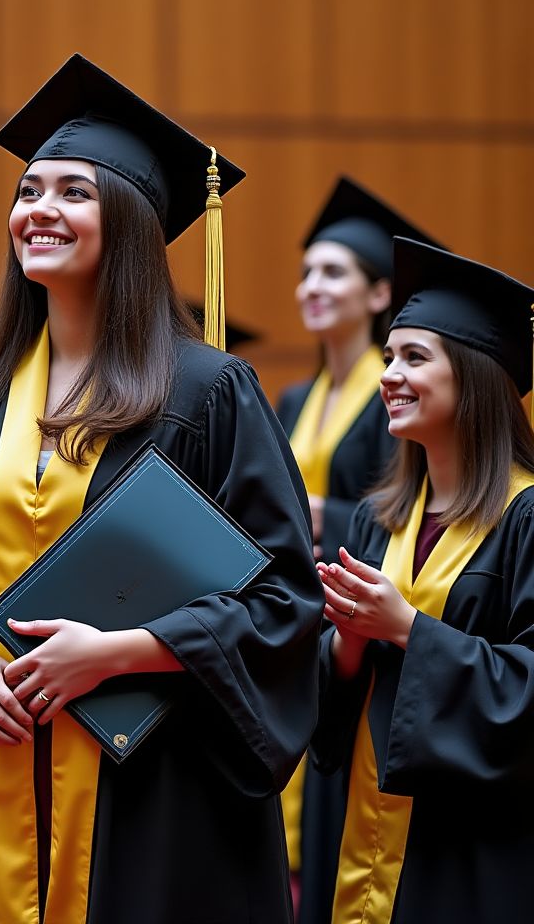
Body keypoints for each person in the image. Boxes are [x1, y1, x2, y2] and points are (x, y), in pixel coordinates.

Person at [0, 54, 322, 923]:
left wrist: (124, 650)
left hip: (155, 785)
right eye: (28, 190)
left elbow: (284, 604)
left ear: (133, 222)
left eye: (74, 191)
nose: (39, 209)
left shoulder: (207, 393)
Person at [314, 237, 534, 923]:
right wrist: (348, 642)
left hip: (471, 850)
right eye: (387, 358)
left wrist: (406, 628)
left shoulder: (525, 516)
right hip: (364, 833)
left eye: (414, 357)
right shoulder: (379, 523)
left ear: (474, 375)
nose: (390, 376)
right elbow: (334, 698)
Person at [275, 178, 439, 923]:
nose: (312, 286)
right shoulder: (293, 400)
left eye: (333, 272)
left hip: (368, 613)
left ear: (380, 294)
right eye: (306, 270)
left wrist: (322, 515)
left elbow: (406, 504)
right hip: (306, 629)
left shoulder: (395, 400)